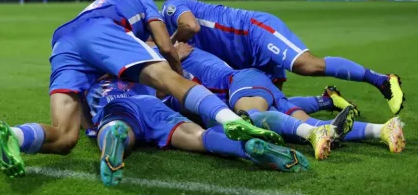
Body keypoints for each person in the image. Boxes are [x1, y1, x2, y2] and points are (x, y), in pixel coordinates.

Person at [0, 0, 273, 178]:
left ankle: (13, 135)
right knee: (169, 79)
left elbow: (87, 98)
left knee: (64, 137)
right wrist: (176, 74)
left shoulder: (94, 7)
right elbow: (165, 47)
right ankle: (233, 123)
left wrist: (93, 122)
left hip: (63, 40)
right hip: (104, 40)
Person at [161, 0, 404, 115]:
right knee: (272, 104)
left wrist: (169, 45)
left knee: (306, 65)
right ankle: (327, 100)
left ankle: (381, 80)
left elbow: (191, 26)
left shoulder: (169, 9)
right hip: (245, 60)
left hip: (252, 31)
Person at [168, 43, 405, 154]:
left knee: (251, 118)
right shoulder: (167, 59)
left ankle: (314, 129)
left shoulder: (167, 56)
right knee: (306, 124)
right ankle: (383, 129)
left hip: (240, 81)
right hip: (252, 86)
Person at [84, 78, 309, 186]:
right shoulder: (139, 68)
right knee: (199, 137)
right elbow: (169, 90)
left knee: (117, 127)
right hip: (152, 106)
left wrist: (89, 127)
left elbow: (76, 113)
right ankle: (246, 149)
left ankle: (114, 138)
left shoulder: (86, 80)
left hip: (117, 107)